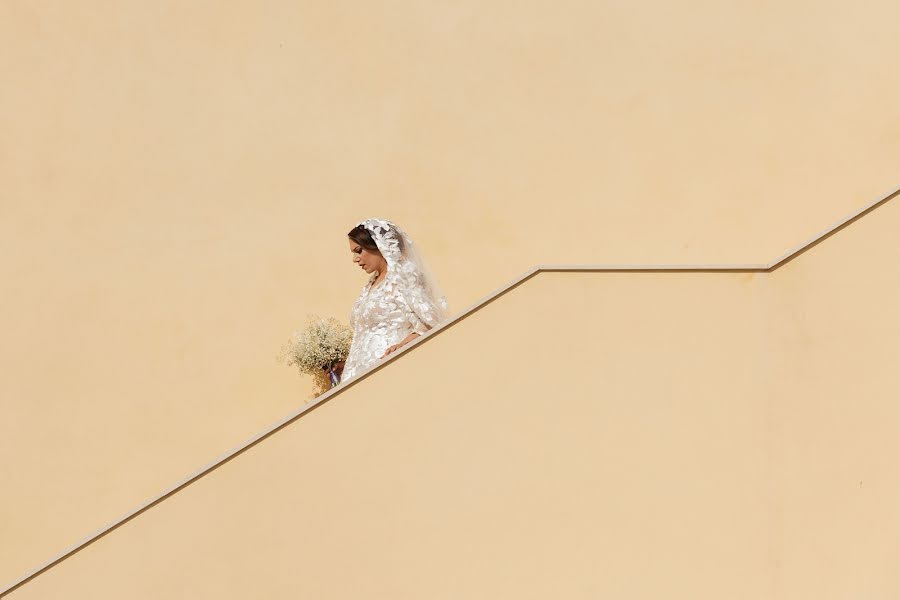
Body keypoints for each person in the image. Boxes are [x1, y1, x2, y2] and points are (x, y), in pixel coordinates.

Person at [330, 218, 449, 384]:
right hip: (358, 377)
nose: (355, 259)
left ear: (378, 245)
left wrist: (402, 345)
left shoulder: (403, 277)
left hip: (391, 370)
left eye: (359, 251)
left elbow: (429, 323)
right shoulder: (371, 285)